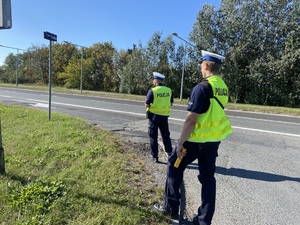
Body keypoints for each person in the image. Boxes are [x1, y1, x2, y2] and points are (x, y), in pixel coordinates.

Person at [153, 50, 233, 224]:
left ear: (205, 64)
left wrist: (180, 143)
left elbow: (191, 120)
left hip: (194, 141)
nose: (200, 65)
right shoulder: (223, 87)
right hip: (212, 142)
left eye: (201, 62)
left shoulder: (201, 88)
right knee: (208, 179)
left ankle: (171, 207)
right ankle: (204, 220)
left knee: (174, 166)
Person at [145, 72, 174, 163]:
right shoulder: (169, 90)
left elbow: (147, 103)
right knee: (165, 135)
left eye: (153, 79)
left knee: (153, 135)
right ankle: (170, 154)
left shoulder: (153, 91)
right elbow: (171, 103)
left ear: (156, 80)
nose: (153, 81)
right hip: (164, 116)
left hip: (154, 116)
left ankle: (154, 156)